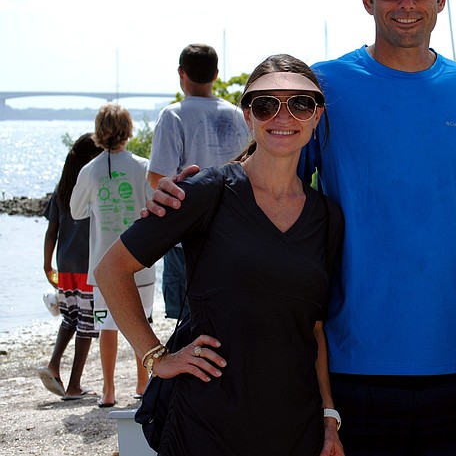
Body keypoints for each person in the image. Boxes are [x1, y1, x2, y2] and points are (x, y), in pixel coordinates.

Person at [145, 0, 456, 455]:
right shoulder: (328, 86)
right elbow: (271, 176)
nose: (406, 1)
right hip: (351, 362)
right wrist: (190, 199)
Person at [95, 54, 344, 455]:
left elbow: (314, 329)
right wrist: (156, 357)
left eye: (300, 103)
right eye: (266, 104)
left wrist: (329, 418)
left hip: (294, 428)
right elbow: (111, 269)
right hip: (206, 425)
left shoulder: (327, 216)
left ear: (316, 117)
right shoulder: (205, 191)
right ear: (247, 116)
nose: (283, 116)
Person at [148, 44, 249, 320]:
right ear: (216, 74)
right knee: (227, 315)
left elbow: (158, 176)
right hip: (233, 232)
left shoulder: (173, 115)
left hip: (185, 236)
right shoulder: (239, 116)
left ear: (181, 73)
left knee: (186, 322)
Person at [70, 104, 153, 408]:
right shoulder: (142, 166)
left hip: (103, 265)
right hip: (138, 261)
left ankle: (108, 390)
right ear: (129, 130)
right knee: (140, 323)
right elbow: (154, 203)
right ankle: (143, 384)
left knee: (107, 326)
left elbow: (76, 211)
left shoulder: (89, 171)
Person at [37, 133, 103, 400]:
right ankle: (74, 386)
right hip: (88, 266)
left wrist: (46, 264)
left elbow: (51, 232)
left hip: (64, 265)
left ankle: (53, 365)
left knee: (69, 318)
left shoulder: (62, 189)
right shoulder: (93, 186)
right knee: (86, 324)